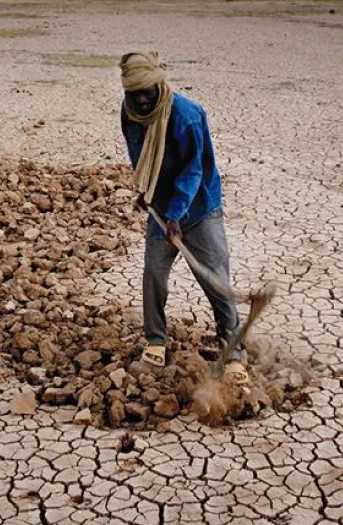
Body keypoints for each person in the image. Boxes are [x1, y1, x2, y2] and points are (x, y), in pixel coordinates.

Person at [119, 51, 246, 382]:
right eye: (135, 94)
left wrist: (176, 213)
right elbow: (141, 157)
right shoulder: (130, 113)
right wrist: (148, 195)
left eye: (148, 91)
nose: (143, 100)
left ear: (159, 85)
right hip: (160, 209)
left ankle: (232, 350)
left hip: (199, 208)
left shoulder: (185, 116)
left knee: (215, 278)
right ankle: (156, 342)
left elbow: (192, 171)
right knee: (153, 274)